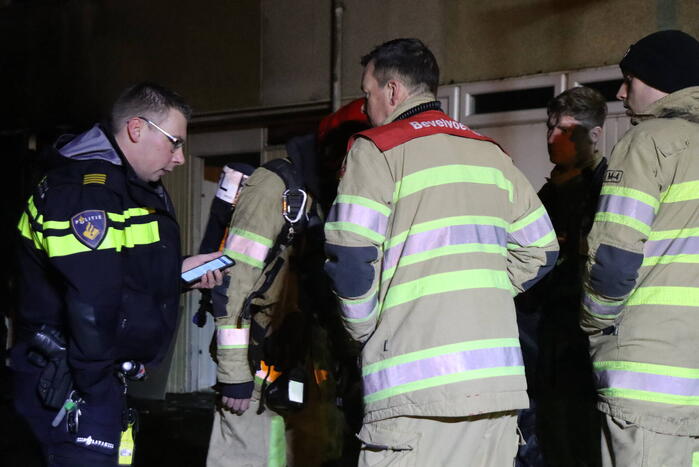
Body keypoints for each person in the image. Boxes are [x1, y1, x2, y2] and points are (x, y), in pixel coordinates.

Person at [324, 38, 559, 466]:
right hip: (495, 392)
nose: (365, 106)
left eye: (367, 94)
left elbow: (351, 260)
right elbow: (542, 249)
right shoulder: (490, 154)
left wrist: (363, 333)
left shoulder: (376, 149)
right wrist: (480, 291)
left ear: (393, 91)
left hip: (414, 397)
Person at [12, 82, 224, 467]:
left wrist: (176, 274)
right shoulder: (85, 191)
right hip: (70, 383)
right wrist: (95, 389)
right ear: (137, 129)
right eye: (174, 142)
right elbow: (91, 299)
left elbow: (118, 275)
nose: (179, 158)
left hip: (93, 379)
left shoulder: (127, 188)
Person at [206, 100, 369, 467]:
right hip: (257, 364)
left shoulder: (334, 194)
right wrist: (234, 374)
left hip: (304, 362)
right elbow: (234, 281)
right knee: (248, 457)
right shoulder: (275, 188)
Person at [580, 30, 699, 467]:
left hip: (649, 382)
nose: (620, 92)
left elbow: (614, 260)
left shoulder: (647, 142)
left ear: (660, 80)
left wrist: (595, 326)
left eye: (629, 79)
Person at [516, 86, 608, 466]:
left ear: (595, 134)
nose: (553, 138)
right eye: (550, 128)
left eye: (566, 130)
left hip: (584, 347)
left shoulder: (607, 191)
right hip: (542, 346)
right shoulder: (543, 196)